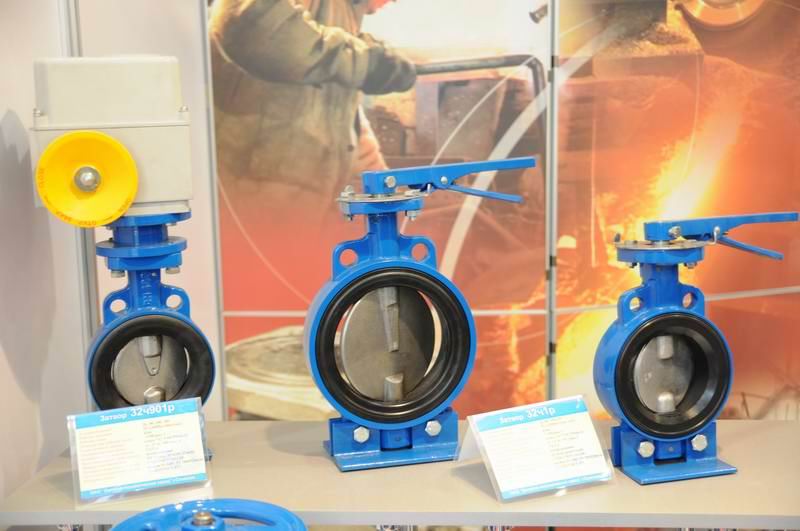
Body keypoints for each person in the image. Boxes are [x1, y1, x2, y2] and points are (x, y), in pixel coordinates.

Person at [209, 0, 416, 205]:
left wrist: (385, 192)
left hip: (298, 202)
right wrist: (366, 62)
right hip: (245, 194)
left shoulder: (344, 12)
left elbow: (341, 119)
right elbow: (256, 27)